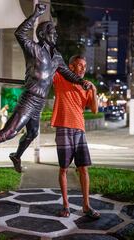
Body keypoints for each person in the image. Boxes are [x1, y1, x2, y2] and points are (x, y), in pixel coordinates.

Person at [0, 4, 86, 173]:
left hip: (40, 102)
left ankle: (16, 155)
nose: (56, 34)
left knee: (32, 133)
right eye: (52, 31)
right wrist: (35, 14)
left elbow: (67, 74)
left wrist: (81, 82)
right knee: (8, 133)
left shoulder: (56, 56)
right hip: (29, 98)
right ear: (43, 35)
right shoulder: (33, 49)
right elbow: (19, 33)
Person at [51, 55, 100, 219]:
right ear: (71, 67)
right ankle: (66, 206)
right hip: (63, 127)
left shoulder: (84, 87)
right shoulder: (60, 78)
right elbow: (53, 67)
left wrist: (94, 90)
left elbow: (94, 110)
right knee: (63, 168)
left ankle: (86, 206)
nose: (83, 69)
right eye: (80, 65)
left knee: (83, 169)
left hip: (79, 129)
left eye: (85, 66)